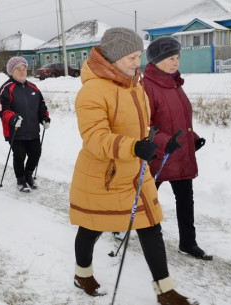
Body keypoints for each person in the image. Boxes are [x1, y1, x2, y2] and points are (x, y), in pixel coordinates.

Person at [69, 27, 198, 305]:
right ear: (114, 57)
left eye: (139, 56)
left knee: (151, 226)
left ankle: (165, 291)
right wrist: (133, 147)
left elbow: (145, 127)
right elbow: (95, 138)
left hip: (136, 172)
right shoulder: (92, 90)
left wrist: (159, 142)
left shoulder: (135, 84)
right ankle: (83, 274)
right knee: (91, 227)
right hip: (104, 175)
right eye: (131, 57)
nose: (136, 62)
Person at [143, 37, 212, 260]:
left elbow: (180, 121)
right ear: (157, 60)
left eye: (178, 58)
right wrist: (165, 142)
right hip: (158, 157)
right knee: (145, 199)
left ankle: (188, 243)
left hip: (180, 154)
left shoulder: (175, 84)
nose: (176, 63)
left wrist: (193, 139)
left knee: (185, 200)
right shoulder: (146, 87)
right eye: (171, 58)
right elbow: (144, 124)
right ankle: (120, 226)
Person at [0, 56, 50, 192]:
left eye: (24, 69)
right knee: (19, 156)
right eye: (18, 69)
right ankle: (20, 180)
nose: (22, 72)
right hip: (16, 131)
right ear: (11, 72)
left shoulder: (33, 87)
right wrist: (13, 118)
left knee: (35, 153)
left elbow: (41, 105)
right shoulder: (7, 88)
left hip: (32, 130)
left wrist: (45, 118)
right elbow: (1, 108)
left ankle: (28, 175)